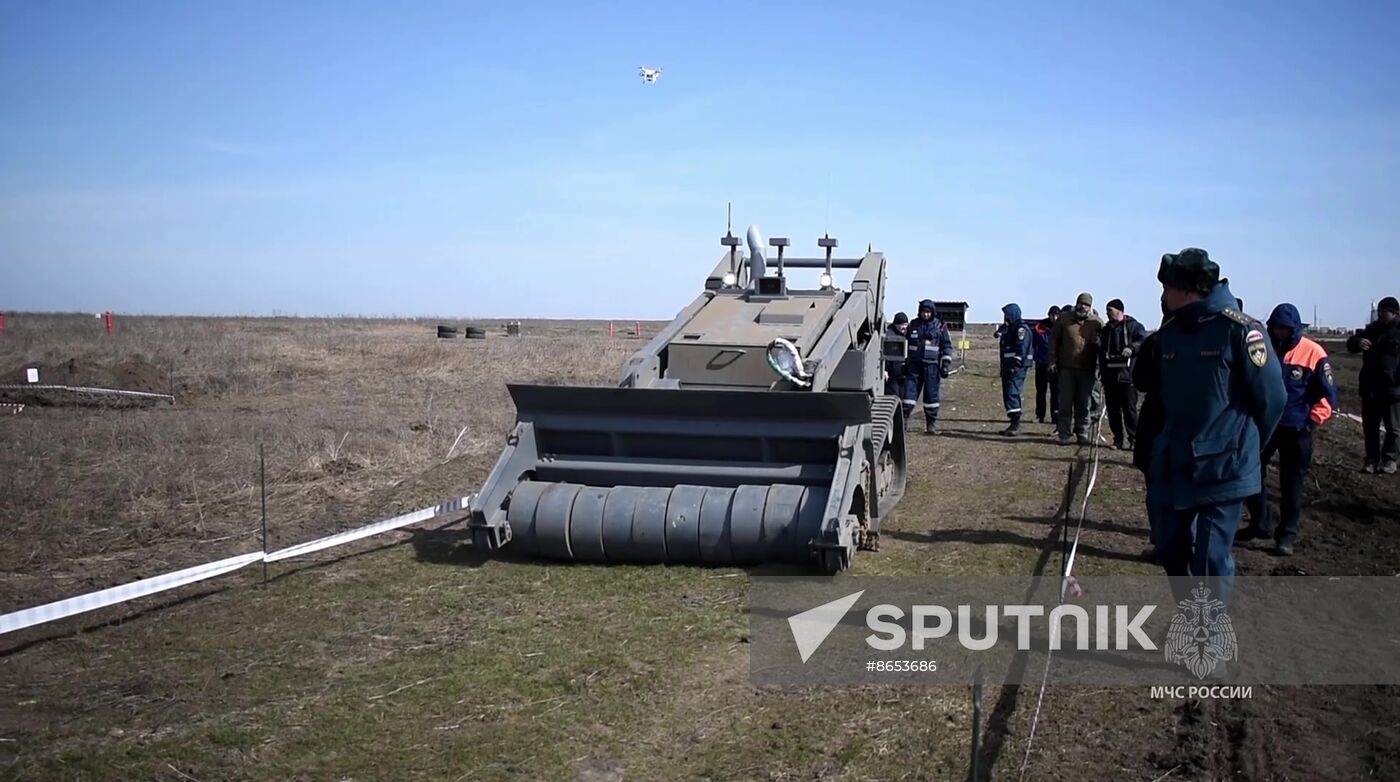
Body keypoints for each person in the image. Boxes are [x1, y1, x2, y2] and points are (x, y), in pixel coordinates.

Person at [1145, 248, 1284, 613]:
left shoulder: (1241, 331)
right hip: (1175, 463)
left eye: (1167, 288)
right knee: (1169, 545)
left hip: (1223, 469)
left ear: (1190, 290)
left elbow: (1272, 400)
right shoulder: (1171, 334)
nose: (1162, 296)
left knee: (1209, 559)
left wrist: (1245, 448)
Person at [1239, 303, 1338, 555]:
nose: (1280, 332)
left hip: (1297, 429)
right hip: (1265, 426)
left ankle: (1286, 536)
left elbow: (1327, 395)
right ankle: (1260, 522)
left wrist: (1311, 422)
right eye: (1276, 328)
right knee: (1251, 473)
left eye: (1285, 328)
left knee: (1291, 483)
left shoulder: (1313, 352)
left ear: (1294, 328)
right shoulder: (1263, 349)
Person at [1132, 299, 1170, 564]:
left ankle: (1164, 542)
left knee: (1158, 489)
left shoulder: (1156, 341)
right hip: (1197, 432)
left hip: (1159, 423)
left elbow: (1140, 381)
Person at [1346, 296, 1400, 474]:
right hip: (1370, 387)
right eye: (1380, 311)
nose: (1382, 314)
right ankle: (1371, 459)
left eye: (1385, 312)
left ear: (1395, 313)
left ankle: (1389, 459)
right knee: (1370, 427)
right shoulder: (1372, 330)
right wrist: (1357, 342)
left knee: (1393, 428)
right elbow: (1351, 344)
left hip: (1393, 388)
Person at [1050, 293, 1105, 445]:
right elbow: (1054, 340)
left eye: (1086, 305)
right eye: (1080, 303)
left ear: (1090, 307)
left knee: (1084, 404)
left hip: (1087, 369)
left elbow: (1105, 344)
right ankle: (1064, 434)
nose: (1082, 307)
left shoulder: (1097, 323)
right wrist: (1052, 361)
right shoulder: (1064, 319)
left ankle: (1082, 433)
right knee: (1065, 404)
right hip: (1067, 369)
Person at [1099, 298, 1148, 450]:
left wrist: (1132, 348)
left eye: (1110, 311)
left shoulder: (1135, 326)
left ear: (1120, 311)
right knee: (1113, 410)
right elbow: (1102, 352)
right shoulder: (1106, 330)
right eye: (1106, 311)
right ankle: (1118, 439)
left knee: (1129, 410)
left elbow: (1143, 341)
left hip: (1128, 375)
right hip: (1110, 376)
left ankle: (1134, 439)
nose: (1107, 314)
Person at [903, 299, 954, 434]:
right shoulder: (913, 325)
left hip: (932, 367)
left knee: (931, 396)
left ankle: (931, 425)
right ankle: (903, 422)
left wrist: (945, 364)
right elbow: (903, 343)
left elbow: (947, 346)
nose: (925, 315)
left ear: (932, 312)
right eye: (923, 312)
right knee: (909, 394)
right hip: (914, 366)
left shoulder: (940, 326)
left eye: (928, 312)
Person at [998, 303, 1034, 436]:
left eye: (1007, 315)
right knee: (1008, 393)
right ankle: (1013, 423)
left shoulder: (1021, 329)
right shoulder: (1009, 328)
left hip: (1016, 367)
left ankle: (1016, 423)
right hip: (1008, 366)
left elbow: (1021, 347)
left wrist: (1016, 363)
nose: (1005, 317)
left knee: (1013, 392)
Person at [1032, 306, 1060, 424]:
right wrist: (1035, 358)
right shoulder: (1039, 327)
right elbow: (1033, 344)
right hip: (1042, 363)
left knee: (1056, 391)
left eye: (1057, 315)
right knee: (1041, 391)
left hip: (1056, 364)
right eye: (1052, 315)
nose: (1054, 317)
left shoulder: (1061, 327)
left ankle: (1055, 416)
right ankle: (1040, 415)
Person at [883, 311, 910, 397]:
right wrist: (885, 370)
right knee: (893, 396)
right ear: (896, 324)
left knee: (903, 397)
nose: (904, 327)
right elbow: (885, 354)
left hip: (903, 374)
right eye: (902, 325)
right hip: (892, 375)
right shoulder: (889, 336)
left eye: (906, 325)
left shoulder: (907, 334)